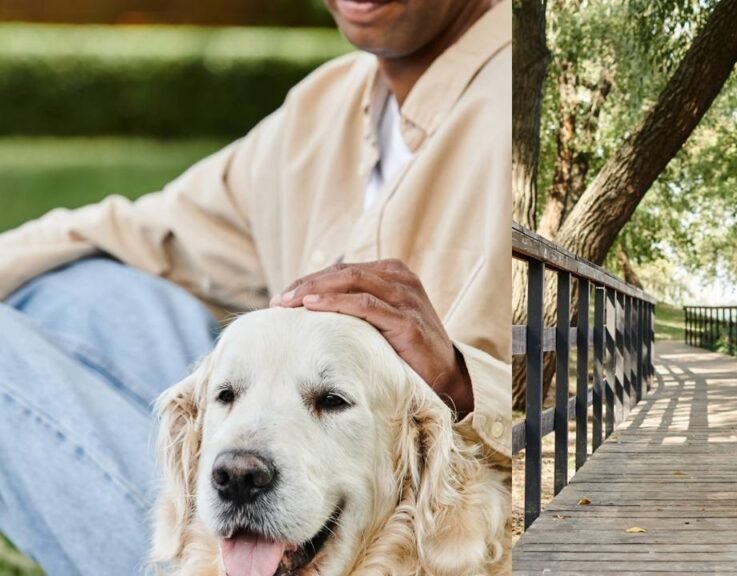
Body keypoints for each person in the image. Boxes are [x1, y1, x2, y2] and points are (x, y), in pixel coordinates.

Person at [0, 0, 512, 573]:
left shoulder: (544, 96)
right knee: (78, 289)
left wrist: (463, 382)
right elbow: (147, 232)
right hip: (274, 506)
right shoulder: (325, 106)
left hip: (434, 538)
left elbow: (621, 386)